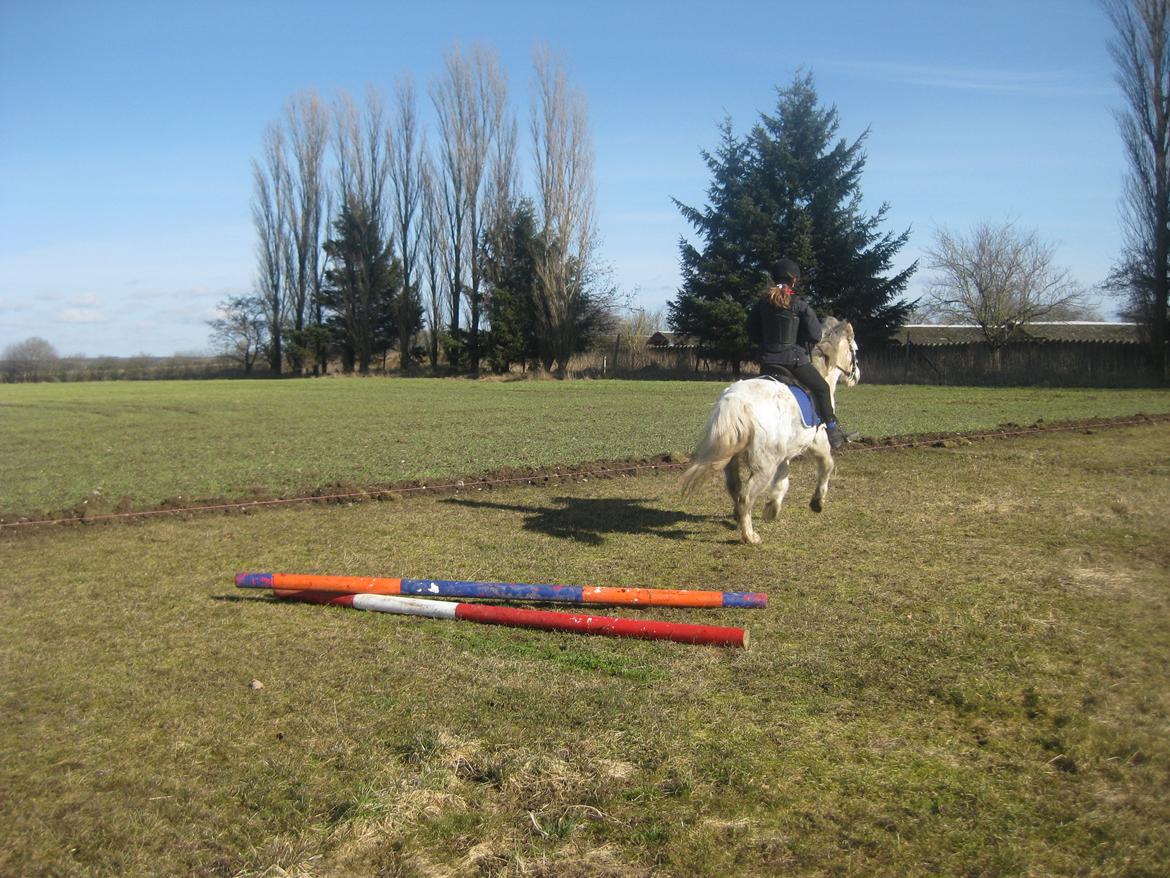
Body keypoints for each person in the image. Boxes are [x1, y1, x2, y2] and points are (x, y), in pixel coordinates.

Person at [746, 258, 849, 449]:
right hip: (794, 362)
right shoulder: (799, 304)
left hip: (767, 362)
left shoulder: (761, 304)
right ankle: (833, 431)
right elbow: (815, 334)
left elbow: (751, 331)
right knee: (821, 388)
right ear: (794, 281)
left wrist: (766, 343)